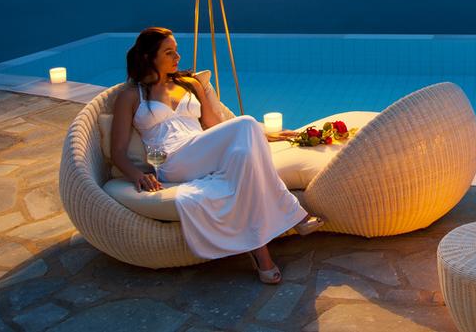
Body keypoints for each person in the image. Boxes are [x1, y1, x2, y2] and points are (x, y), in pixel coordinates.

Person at [111, 27, 321, 284]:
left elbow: (214, 126)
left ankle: (261, 256)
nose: (177, 57)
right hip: (172, 160)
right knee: (247, 123)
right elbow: (118, 151)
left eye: (176, 50)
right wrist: (137, 174)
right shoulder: (131, 96)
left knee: (243, 156)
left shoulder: (189, 84)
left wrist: (263, 134)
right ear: (148, 57)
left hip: (202, 150)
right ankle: (294, 213)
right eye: (168, 52)